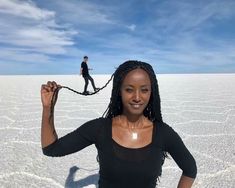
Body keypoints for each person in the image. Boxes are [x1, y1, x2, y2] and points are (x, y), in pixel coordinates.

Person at [41, 60, 197, 188]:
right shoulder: (99, 129)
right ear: (119, 91)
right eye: (129, 89)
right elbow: (51, 149)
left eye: (144, 90)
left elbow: (190, 169)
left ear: (152, 92)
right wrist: (48, 108)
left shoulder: (163, 133)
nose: (137, 97)